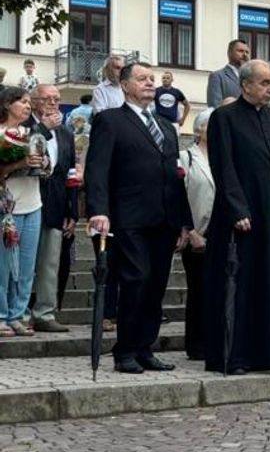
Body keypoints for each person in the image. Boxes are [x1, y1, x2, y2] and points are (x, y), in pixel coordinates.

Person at [85, 63, 191, 372]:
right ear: (125, 84)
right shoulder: (110, 120)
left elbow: (175, 175)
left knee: (156, 284)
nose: (150, 84)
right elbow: (98, 168)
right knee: (136, 278)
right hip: (129, 216)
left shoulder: (166, 126)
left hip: (164, 217)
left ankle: (145, 347)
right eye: (142, 79)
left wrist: (184, 220)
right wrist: (98, 210)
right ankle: (125, 350)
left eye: (152, 80)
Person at [203, 60, 270, 374]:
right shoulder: (224, 118)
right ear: (245, 85)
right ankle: (237, 356)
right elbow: (224, 166)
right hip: (242, 217)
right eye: (264, 83)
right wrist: (237, 209)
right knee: (242, 286)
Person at [28, 85, 77, 333]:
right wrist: (44, 129)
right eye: (48, 99)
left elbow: (70, 173)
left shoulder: (66, 133)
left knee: (50, 261)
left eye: (57, 99)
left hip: (56, 203)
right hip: (27, 199)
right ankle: (21, 311)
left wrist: (72, 209)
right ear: (34, 101)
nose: (54, 103)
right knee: (23, 262)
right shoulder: (25, 125)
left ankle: (45, 312)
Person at [0, 88, 47, 338]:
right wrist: (19, 163)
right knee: (4, 266)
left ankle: (18, 315)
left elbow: (46, 168)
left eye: (30, 102)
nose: (28, 106)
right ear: (7, 104)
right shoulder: (0, 134)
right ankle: (1, 315)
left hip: (33, 204)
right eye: (22, 102)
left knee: (27, 267)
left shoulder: (32, 134)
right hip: (7, 207)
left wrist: (44, 163)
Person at [178, 109, 214, 360]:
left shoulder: (226, 157)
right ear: (200, 129)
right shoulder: (185, 157)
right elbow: (178, 196)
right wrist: (189, 231)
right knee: (199, 290)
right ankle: (198, 344)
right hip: (197, 232)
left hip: (221, 234)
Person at [206, 39, 250, 107]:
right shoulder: (218, 76)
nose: (245, 55)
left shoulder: (252, 78)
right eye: (240, 51)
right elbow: (215, 106)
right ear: (229, 53)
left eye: (247, 52)